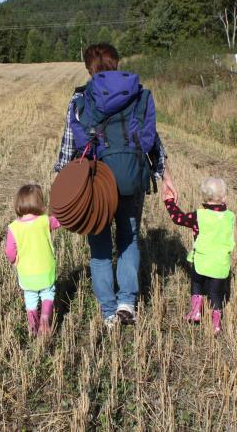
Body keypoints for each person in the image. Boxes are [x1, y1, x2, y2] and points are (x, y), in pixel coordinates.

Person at [54, 43, 177, 328]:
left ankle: (108, 312)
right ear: (117, 63)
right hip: (132, 177)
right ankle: (127, 304)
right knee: (129, 240)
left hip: (96, 185)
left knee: (99, 248)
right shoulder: (139, 94)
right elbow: (153, 142)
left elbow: (68, 148)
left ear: (89, 68)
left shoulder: (81, 99)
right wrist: (166, 178)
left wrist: (62, 190)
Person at [164, 177, 235, 334]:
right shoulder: (230, 217)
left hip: (201, 262)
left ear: (204, 198)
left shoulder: (199, 216)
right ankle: (216, 324)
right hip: (220, 264)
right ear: (224, 197)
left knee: (197, 284)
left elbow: (178, 218)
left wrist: (169, 202)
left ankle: (195, 312)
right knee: (216, 294)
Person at [5, 184, 61, 336]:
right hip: (46, 270)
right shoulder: (45, 221)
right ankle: (45, 319)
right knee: (48, 294)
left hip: (27, 273)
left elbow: (9, 251)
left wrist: (14, 260)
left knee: (30, 299)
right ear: (40, 203)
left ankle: (33, 326)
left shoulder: (13, 227)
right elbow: (59, 221)